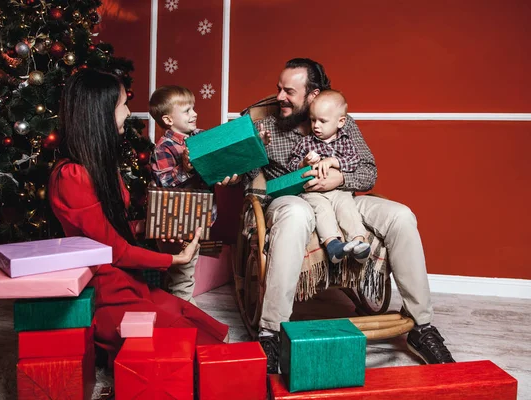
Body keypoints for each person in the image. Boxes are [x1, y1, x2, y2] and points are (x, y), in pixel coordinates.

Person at [248, 58, 454, 373]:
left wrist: (340, 179)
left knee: (402, 216)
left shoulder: (340, 119)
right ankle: (271, 331)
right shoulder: (263, 126)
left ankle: (421, 327)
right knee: (295, 216)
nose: (279, 97)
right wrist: (247, 157)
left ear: (313, 95)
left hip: (343, 197)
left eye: (289, 91)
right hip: (294, 199)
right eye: (279, 89)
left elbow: (368, 172)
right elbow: (248, 178)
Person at [49, 69, 228, 368]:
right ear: (101, 112)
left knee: (200, 325)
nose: (130, 112)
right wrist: (174, 261)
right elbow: (112, 250)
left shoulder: (98, 164)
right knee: (193, 349)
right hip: (106, 288)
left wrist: (149, 226)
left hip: (127, 279)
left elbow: (107, 229)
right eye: (122, 104)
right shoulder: (72, 175)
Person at [287, 89, 371, 265]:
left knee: (347, 208)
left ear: (341, 122)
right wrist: (304, 163)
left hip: (339, 190)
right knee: (322, 209)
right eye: (313, 120)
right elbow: (290, 167)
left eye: (322, 121)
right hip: (313, 192)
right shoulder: (306, 142)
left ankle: (360, 244)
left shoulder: (345, 141)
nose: (316, 126)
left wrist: (333, 161)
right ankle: (333, 245)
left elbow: (354, 162)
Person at [149, 85, 206, 305]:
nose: (195, 114)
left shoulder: (199, 137)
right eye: (187, 110)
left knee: (184, 271)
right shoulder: (164, 147)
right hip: (174, 220)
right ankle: (184, 317)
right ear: (168, 120)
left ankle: (172, 310)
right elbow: (165, 182)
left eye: (193, 108)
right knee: (182, 276)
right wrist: (185, 168)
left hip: (195, 215)